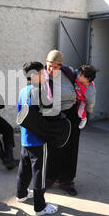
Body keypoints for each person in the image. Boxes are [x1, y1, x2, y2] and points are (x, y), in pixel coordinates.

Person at [16, 61, 58, 216]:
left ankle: (21, 195)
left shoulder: (23, 91)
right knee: (39, 172)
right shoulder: (38, 92)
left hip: (25, 137)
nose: (44, 76)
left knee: (24, 167)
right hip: (38, 140)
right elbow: (47, 114)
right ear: (33, 75)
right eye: (42, 73)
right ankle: (40, 207)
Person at [43, 50, 81, 196]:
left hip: (71, 113)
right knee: (54, 146)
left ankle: (67, 180)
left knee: (71, 148)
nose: (52, 69)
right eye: (50, 65)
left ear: (61, 65)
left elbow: (84, 80)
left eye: (56, 66)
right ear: (46, 62)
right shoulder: (42, 75)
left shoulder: (68, 72)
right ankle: (49, 177)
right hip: (53, 114)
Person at [74, 65, 97, 129]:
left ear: (87, 79)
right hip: (78, 96)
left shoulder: (90, 91)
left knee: (80, 112)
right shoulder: (78, 78)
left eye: (80, 75)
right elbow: (75, 71)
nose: (78, 75)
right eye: (78, 73)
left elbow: (92, 101)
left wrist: (90, 109)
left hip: (84, 100)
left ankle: (84, 119)